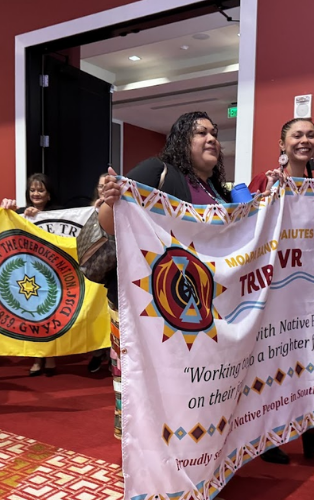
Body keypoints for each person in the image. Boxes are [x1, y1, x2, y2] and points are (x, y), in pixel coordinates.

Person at [99, 111, 232, 439]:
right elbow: (110, 223)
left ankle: (189, 452)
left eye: (214, 133)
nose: (211, 139)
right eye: (201, 133)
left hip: (196, 306)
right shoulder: (157, 171)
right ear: (182, 140)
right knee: (142, 384)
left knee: (188, 387)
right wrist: (110, 201)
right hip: (147, 303)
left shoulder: (218, 191)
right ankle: (142, 456)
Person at [249, 118, 314, 465]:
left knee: (312, 365)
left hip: (309, 295)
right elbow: (245, 229)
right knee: (273, 366)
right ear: (282, 144)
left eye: (311, 135)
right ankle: (267, 439)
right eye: (297, 135)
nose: (304, 140)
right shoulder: (264, 181)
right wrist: (265, 196)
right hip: (274, 293)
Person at [18, 173, 59, 376]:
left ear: (49, 194)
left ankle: (50, 357)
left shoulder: (60, 214)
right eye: (32, 190)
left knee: (50, 314)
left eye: (41, 190)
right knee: (32, 316)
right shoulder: (20, 213)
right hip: (27, 274)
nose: (36, 194)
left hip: (51, 273)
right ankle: (36, 358)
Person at [87, 173, 110, 373]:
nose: (104, 189)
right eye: (101, 186)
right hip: (95, 270)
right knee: (95, 314)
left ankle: (112, 353)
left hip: (115, 269)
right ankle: (97, 352)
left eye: (108, 185)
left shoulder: (124, 207)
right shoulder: (87, 211)